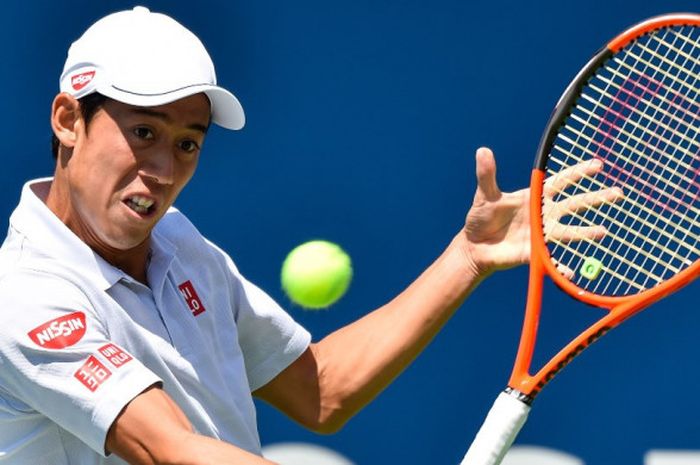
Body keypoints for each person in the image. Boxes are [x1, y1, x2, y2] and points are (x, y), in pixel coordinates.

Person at [0, 6, 611, 465]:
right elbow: (170, 450)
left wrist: (468, 257)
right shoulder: (23, 295)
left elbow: (322, 390)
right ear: (68, 120)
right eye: (143, 133)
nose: (163, 170)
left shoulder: (182, 248)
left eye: (187, 143)